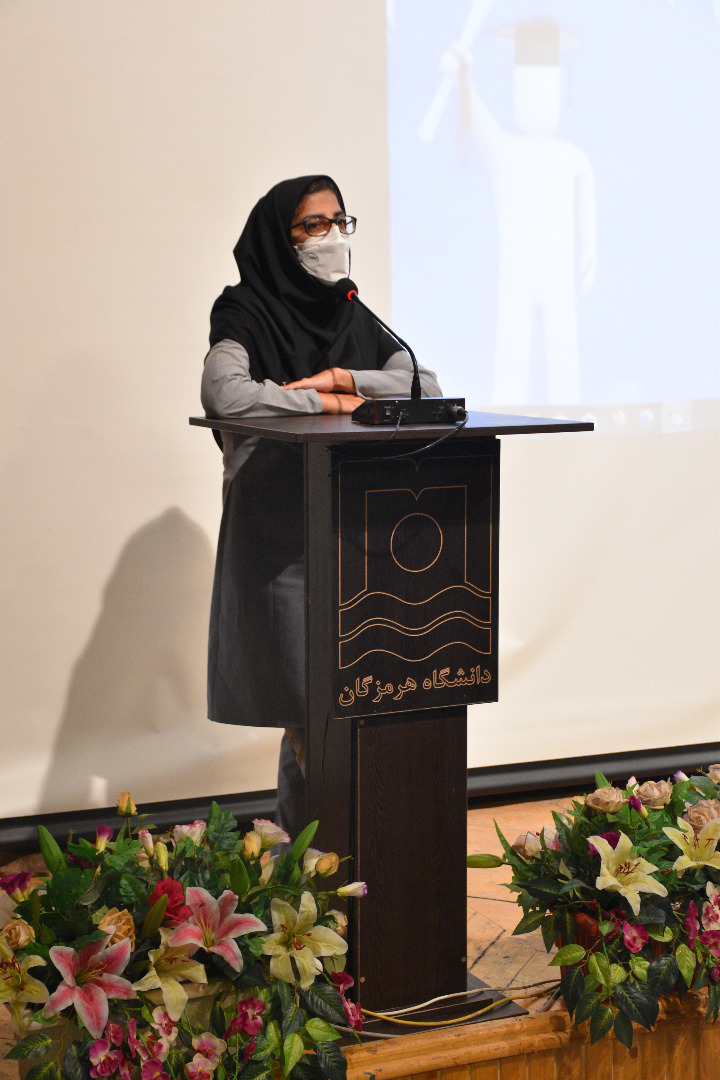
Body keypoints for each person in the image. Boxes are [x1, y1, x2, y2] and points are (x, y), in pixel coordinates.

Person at [201, 174, 442, 838]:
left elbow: (425, 386)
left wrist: (344, 379)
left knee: (335, 708)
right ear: (279, 239)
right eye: (313, 225)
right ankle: (320, 864)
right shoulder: (244, 310)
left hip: (356, 536)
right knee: (306, 710)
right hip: (280, 536)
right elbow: (228, 395)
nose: (332, 236)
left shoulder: (350, 310)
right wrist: (331, 404)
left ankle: (314, 862)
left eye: (340, 221)